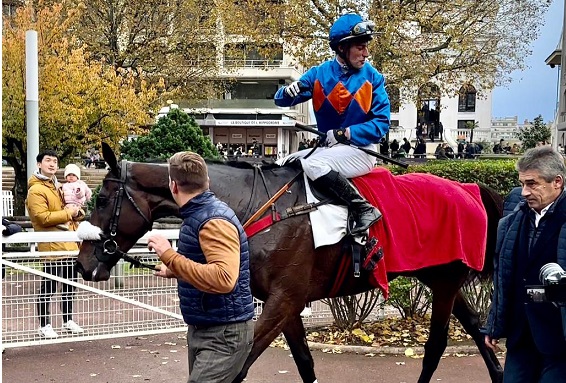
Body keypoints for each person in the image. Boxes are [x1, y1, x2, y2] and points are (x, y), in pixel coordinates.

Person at [274, 13, 390, 235]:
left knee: (314, 165)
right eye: (360, 47)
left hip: (361, 152)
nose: (366, 53)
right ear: (342, 48)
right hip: (328, 150)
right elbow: (281, 100)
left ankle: (363, 208)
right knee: (282, 163)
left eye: (366, 47)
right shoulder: (319, 74)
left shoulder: (373, 77)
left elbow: (381, 124)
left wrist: (345, 133)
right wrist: (288, 92)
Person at [147, 151, 254, 383]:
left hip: (224, 334)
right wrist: (172, 269)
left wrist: (169, 255)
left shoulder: (213, 220)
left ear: (173, 185)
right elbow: (205, 261)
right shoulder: (198, 213)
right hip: (207, 328)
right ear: (207, 182)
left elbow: (224, 278)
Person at [485, 146, 566, 382]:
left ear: (557, 182)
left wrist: (535, 293)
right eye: (522, 183)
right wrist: (493, 324)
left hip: (559, 342)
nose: (524, 192)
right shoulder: (513, 220)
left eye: (532, 184)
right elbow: (504, 277)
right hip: (520, 337)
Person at [26, 150, 84, 338]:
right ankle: (44, 324)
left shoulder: (58, 186)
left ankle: (67, 320)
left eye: (55, 161)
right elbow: (41, 218)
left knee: (70, 285)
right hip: (51, 246)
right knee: (49, 287)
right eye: (48, 161)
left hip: (69, 244)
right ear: (39, 164)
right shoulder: (36, 190)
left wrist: (77, 212)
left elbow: (71, 208)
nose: (52, 164)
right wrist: (69, 214)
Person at [56, 164, 93, 231]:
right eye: (69, 175)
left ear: (77, 177)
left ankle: (66, 224)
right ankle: (77, 225)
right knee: (67, 213)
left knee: (68, 213)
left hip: (75, 203)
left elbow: (87, 192)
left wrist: (84, 195)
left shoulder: (80, 184)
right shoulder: (65, 185)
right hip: (67, 203)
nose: (71, 177)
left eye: (73, 175)